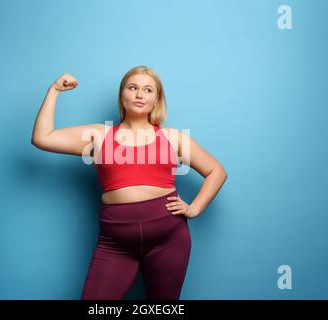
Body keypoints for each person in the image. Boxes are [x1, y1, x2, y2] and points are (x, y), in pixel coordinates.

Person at [31, 66, 227, 300]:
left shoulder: (173, 137)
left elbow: (216, 171)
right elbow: (42, 138)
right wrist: (54, 90)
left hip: (169, 239)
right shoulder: (98, 135)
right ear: (122, 95)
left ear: (156, 100)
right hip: (115, 242)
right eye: (132, 87)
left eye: (148, 89)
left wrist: (193, 208)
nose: (139, 94)